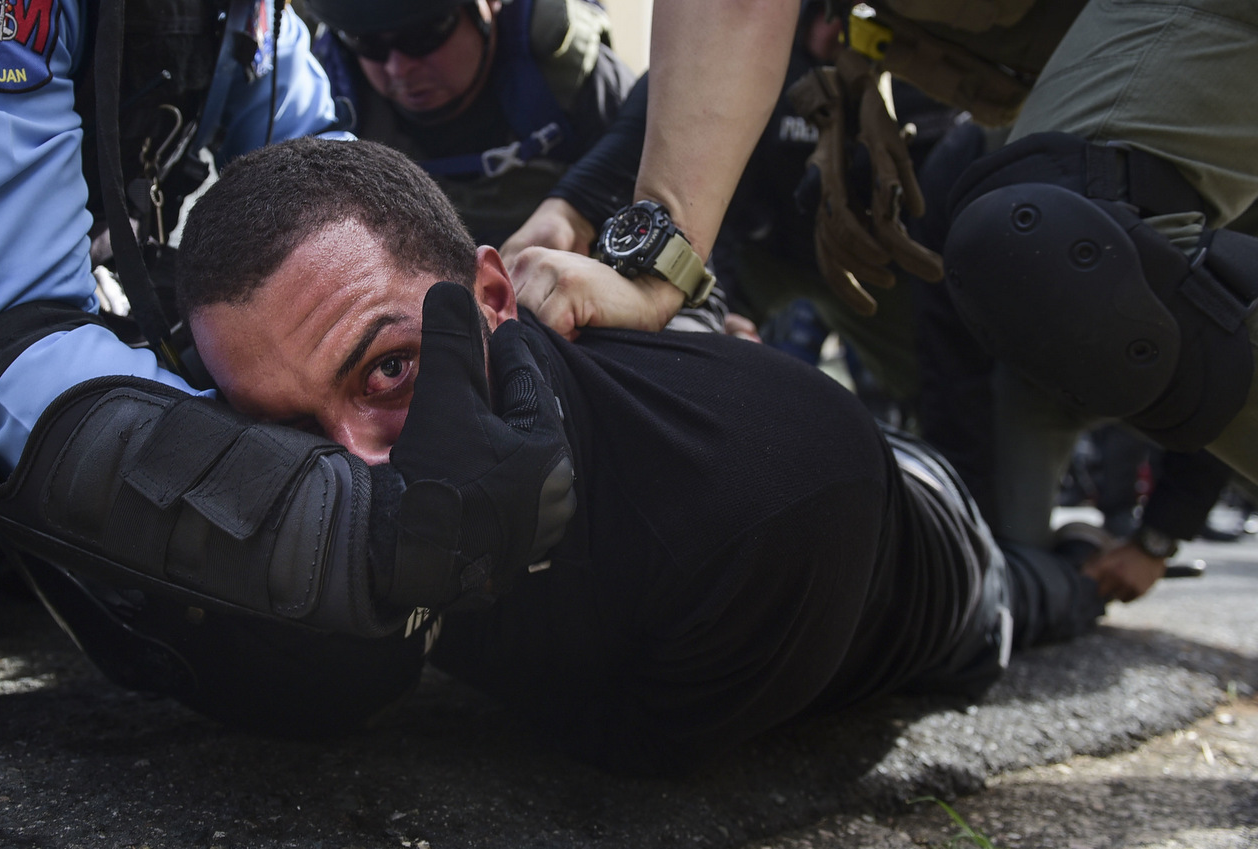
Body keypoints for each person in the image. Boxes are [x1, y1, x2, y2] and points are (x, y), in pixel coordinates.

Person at [0, 0, 574, 770]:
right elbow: (13, 341)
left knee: (253, 618)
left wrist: (496, 359)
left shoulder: (249, 20)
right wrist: (356, 530)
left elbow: (341, 203)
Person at [172, 137, 1105, 773]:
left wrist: (425, 607)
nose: (355, 465)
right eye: (287, 431)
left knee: (1037, 589)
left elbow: (631, 743)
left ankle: (1093, 562)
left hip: (925, 548)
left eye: (390, 368)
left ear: (492, 293)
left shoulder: (763, 504)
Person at [503, 0, 1258, 601]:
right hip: (1052, 71)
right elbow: (703, 47)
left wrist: (1158, 534)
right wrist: (605, 222)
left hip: (1019, 304)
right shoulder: (821, 59)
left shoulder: (954, 158)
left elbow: (975, 351)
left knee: (1056, 246)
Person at [303, 0, 634, 247]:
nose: (398, 69)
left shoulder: (567, 73)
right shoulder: (331, 99)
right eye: (366, 44)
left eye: (424, 36)